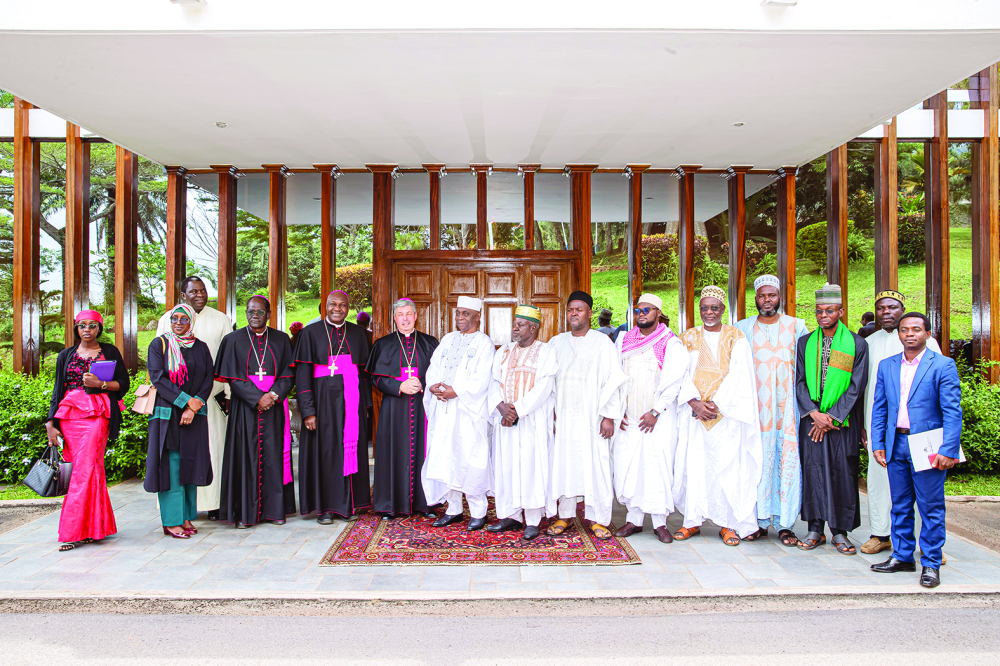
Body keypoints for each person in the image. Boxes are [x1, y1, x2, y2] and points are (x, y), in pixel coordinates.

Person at [869, 312, 962, 588]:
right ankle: (902, 556)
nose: (910, 334)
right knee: (899, 505)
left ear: (927, 335)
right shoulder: (887, 366)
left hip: (928, 445)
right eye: (905, 330)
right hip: (896, 443)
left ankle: (931, 563)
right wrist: (878, 443)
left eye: (916, 329)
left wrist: (949, 449)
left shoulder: (943, 365)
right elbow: (880, 408)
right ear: (898, 335)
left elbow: (952, 411)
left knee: (930, 507)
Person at [673, 286, 762, 545]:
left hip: (726, 416)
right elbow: (678, 374)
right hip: (693, 416)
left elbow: (741, 376)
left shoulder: (736, 337)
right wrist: (695, 404)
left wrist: (715, 405)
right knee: (695, 466)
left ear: (723, 310)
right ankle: (692, 521)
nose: (709, 312)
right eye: (704, 308)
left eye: (714, 308)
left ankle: (728, 524)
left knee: (727, 467)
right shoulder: (686, 337)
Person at [860, 290, 942, 555]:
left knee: (925, 491)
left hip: (921, 430)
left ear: (902, 309)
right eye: (881, 308)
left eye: (892, 307)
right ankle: (881, 533)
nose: (886, 312)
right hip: (881, 428)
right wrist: (864, 424)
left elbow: (940, 392)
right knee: (879, 480)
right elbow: (864, 389)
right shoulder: (869, 343)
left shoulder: (925, 343)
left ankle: (928, 545)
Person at [44, 310, 129, 551]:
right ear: (76, 328)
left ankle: (72, 531)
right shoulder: (66, 355)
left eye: (92, 325)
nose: (87, 329)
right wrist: (51, 423)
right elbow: (57, 390)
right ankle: (95, 528)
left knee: (84, 469)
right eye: (82, 325)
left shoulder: (110, 352)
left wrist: (99, 384)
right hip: (70, 417)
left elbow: (123, 384)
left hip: (97, 416)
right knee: (88, 471)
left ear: (99, 328)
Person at [546, 290, 627, 540]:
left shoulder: (603, 343)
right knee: (564, 464)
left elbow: (614, 381)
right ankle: (565, 514)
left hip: (593, 418)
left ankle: (599, 518)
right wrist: (552, 415)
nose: (573, 313)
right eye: (570, 309)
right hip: (565, 418)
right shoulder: (556, 342)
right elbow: (547, 382)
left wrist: (608, 416)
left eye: (579, 309)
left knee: (597, 466)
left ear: (589, 313)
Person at [735, 275, 809, 546]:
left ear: (780, 298)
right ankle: (756, 521)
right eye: (762, 296)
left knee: (786, 461)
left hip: (787, 411)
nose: (767, 300)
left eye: (772, 295)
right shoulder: (741, 328)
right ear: (755, 298)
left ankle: (784, 523)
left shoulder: (797, 327)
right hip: (754, 409)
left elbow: (806, 369)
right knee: (756, 461)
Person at [795, 283, 869, 555]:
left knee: (843, 473)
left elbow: (856, 386)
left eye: (829, 310)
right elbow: (799, 381)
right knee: (813, 471)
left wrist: (832, 417)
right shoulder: (805, 343)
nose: (823, 315)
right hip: (812, 421)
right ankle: (815, 528)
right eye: (819, 311)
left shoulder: (856, 344)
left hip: (842, 422)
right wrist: (814, 414)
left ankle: (840, 531)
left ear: (841, 311)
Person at [215, 296, 296, 528]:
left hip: (274, 407)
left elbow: (289, 374)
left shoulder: (281, 340)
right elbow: (232, 376)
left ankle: (275, 510)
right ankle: (245, 514)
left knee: (274, 457)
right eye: (250, 311)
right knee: (245, 457)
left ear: (269, 314)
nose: (255, 316)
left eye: (260, 312)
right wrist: (256, 397)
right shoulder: (232, 340)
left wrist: (273, 395)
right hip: (244, 409)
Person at [155, 276, 232, 521]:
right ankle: (179, 512)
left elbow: (224, 362)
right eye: (193, 291)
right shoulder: (167, 320)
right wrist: (184, 401)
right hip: (174, 402)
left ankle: (214, 503)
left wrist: (225, 395)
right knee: (176, 459)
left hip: (209, 396)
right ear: (183, 295)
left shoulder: (221, 319)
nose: (199, 295)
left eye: (203, 290)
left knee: (212, 449)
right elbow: (158, 369)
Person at [612, 293, 687, 544]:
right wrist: (617, 409)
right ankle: (633, 520)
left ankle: (659, 522)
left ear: (658, 313)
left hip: (657, 419)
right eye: (638, 310)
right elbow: (614, 376)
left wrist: (656, 411)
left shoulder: (670, 342)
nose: (641, 314)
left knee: (656, 468)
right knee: (629, 467)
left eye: (647, 310)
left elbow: (674, 382)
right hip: (628, 418)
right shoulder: (623, 340)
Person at [295, 290, 372, 524]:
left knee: (349, 451)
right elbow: (302, 376)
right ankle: (325, 508)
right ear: (324, 306)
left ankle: (347, 505)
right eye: (332, 304)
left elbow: (365, 376)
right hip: (322, 403)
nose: (337, 308)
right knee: (326, 453)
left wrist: (366, 408)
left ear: (348, 308)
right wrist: (308, 411)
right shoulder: (309, 333)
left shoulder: (358, 334)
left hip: (352, 403)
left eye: (342, 305)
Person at [422, 297, 496, 531]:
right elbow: (433, 367)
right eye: (458, 314)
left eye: (465, 314)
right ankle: (453, 509)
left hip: (467, 412)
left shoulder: (484, 343)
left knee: (470, 458)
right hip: (443, 408)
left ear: (477, 317)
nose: (460, 318)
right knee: (446, 457)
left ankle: (478, 512)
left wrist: (458, 391)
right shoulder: (447, 339)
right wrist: (433, 385)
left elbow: (483, 378)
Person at [145, 304, 215, 539]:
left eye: (184, 319)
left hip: (194, 414)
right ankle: (172, 520)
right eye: (174, 318)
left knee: (189, 463)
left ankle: (185, 516)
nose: (178, 323)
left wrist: (195, 405)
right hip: (168, 414)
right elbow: (158, 378)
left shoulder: (201, 347)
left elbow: (208, 378)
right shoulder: (160, 345)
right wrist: (186, 402)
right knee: (172, 466)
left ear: (191, 322)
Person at [487, 305, 557, 540]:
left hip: (531, 421)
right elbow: (493, 381)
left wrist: (517, 410)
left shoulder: (546, 352)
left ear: (534, 327)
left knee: (531, 467)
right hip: (505, 420)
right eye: (515, 323)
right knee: (506, 466)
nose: (515, 327)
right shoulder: (504, 351)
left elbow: (544, 386)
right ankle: (510, 515)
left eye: (521, 324)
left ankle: (533, 519)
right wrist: (501, 407)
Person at [366, 298, 439, 518]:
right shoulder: (383, 344)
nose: (405, 318)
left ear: (416, 316)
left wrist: (421, 384)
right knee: (391, 451)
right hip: (393, 408)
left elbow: (441, 374)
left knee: (424, 452)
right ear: (395, 318)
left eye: (409, 314)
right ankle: (389, 505)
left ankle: (426, 504)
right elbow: (375, 378)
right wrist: (399, 385)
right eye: (400, 314)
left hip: (422, 405)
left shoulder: (430, 343)